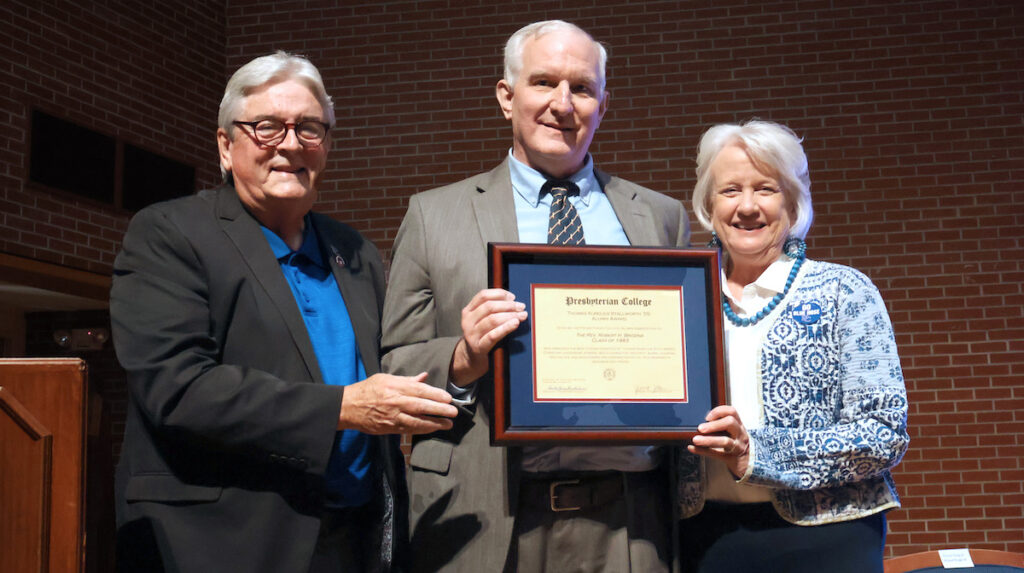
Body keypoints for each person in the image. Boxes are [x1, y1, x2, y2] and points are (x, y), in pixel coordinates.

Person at [110, 51, 457, 573]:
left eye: (310, 128)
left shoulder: (354, 251)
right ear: (226, 146)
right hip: (223, 542)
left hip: (355, 537)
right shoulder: (170, 233)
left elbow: (391, 368)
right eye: (267, 127)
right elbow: (176, 388)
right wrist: (341, 409)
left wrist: (466, 354)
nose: (291, 144)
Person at [381, 20, 689, 573]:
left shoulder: (659, 217)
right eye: (544, 82)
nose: (563, 104)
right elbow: (396, 362)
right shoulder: (433, 215)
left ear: (603, 103)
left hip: (631, 522)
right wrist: (461, 359)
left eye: (583, 88)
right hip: (489, 514)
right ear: (506, 96)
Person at [677, 120, 910, 573]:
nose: (747, 207)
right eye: (729, 191)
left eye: (766, 189)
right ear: (707, 201)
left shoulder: (844, 291)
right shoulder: (678, 296)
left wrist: (755, 454)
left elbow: (884, 433)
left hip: (826, 539)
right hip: (700, 539)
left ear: (793, 199)